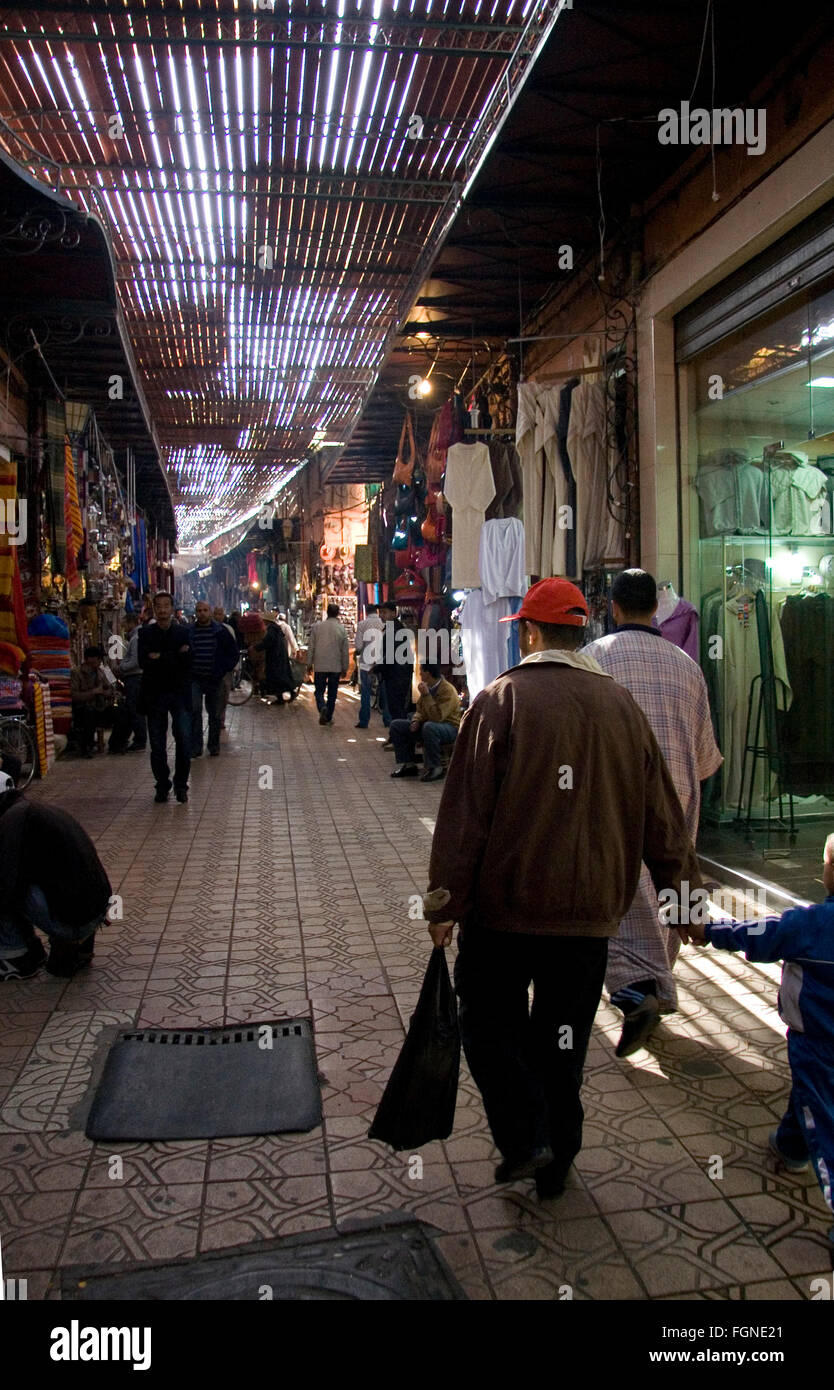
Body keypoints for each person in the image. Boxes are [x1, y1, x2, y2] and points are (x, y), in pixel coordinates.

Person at [422, 577, 701, 1199]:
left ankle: (525, 1137)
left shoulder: (500, 700)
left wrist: (444, 902)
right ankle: (557, 1161)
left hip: (507, 909)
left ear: (531, 631)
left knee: (489, 1026)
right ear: (583, 633)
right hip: (590, 914)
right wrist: (686, 899)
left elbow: (465, 816)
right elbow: (664, 816)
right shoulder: (622, 707)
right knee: (562, 1039)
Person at [584, 568, 723, 1056]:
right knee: (667, 900)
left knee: (617, 901)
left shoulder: (591, 661)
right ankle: (649, 989)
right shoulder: (687, 665)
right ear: (654, 609)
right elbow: (706, 757)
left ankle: (635, 993)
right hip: (678, 800)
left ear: (614, 608)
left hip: (614, 800)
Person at [685, 833, 834, 1262]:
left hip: (817, 1043)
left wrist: (707, 929)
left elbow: (758, 933)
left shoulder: (809, 926)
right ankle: (790, 1144)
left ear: (831, 874)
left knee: (824, 1120)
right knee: (810, 1100)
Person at [0, 754, 112, 979]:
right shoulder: (33, 811)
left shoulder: (11, 823)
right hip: (94, 912)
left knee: (4, 882)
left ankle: (15, 955)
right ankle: (70, 945)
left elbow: (6, 887)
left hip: (76, 920)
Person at [138, 591, 193, 803]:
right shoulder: (145, 634)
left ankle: (181, 785)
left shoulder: (183, 632)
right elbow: (144, 662)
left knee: (184, 740)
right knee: (158, 745)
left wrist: (159, 657)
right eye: (158, 606)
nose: (162, 610)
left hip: (179, 693)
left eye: (166, 606)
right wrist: (174, 656)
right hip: (155, 696)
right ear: (154, 608)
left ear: (172, 608)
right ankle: (162, 784)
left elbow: (188, 660)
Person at [389, 663, 462, 782]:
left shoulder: (447, 690)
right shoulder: (427, 686)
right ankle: (409, 765)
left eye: (421, 671)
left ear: (428, 673)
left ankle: (436, 767)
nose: (419, 674)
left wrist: (427, 695)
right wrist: (415, 721)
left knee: (429, 727)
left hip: (449, 727)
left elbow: (438, 716)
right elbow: (420, 710)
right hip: (429, 725)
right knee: (397, 726)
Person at [189, 600, 238, 756]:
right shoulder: (189, 632)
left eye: (204, 610)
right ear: (196, 613)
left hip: (214, 678)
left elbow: (233, 653)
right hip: (195, 678)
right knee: (195, 711)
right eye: (199, 610)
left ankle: (213, 745)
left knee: (215, 714)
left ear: (209, 612)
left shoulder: (221, 631)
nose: (202, 613)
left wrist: (223, 669)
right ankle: (196, 746)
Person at [70, 646, 130, 758]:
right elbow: (75, 696)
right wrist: (94, 692)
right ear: (89, 659)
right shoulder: (77, 673)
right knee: (89, 712)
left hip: (101, 707)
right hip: (85, 709)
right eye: (99, 658)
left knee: (122, 711)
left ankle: (116, 744)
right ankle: (86, 747)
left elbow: (114, 689)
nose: (100, 661)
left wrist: (110, 693)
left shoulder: (103, 671)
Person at [375, 601, 414, 742]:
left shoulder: (395, 630)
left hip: (398, 675)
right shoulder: (393, 628)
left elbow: (391, 656)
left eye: (385, 612)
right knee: (395, 707)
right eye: (381, 613)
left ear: (393, 613)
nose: (382, 616)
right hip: (396, 674)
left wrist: (376, 667)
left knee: (397, 708)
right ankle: (396, 737)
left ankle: (400, 739)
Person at [307, 602, 349, 725]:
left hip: (320, 665)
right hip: (335, 667)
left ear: (327, 613)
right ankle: (328, 716)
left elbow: (311, 647)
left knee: (319, 691)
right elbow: (344, 651)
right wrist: (345, 667)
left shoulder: (317, 627)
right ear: (338, 614)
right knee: (332, 693)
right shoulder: (341, 629)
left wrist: (309, 663)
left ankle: (322, 707)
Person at [115, 613, 147, 751]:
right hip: (134, 678)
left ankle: (140, 740)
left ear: (131, 623)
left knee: (135, 710)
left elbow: (136, 661)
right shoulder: (136, 637)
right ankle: (139, 738)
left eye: (125, 624)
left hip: (134, 678)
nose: (124, 628)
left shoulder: (136, 638)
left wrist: (121, 667)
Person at [354, 603, 384, 729]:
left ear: (367, 612)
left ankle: (364, 721)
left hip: (366, 664)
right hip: (382, 662)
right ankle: (387, 719)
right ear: (377, 612)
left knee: (365, 692)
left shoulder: (362, 624)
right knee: (384, 691)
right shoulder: (384, 624)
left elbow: (359, 646)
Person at [256, 612, 297, 704]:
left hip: (276, 658)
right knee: (280, 677)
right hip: (279, 656)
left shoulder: (272, 630)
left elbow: (267, 642)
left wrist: (256, 648)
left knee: (278, 677)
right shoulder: (275, 628)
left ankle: (284, 696)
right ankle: (282, 696)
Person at [213, 607, 237, 729]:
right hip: (211, 670)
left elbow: (233, 649)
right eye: (215, 614)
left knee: (224, 695)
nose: (217, 616)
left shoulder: (228, 630)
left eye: (219, 614)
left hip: (225, 670)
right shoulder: (208, 629)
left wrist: (232, 666)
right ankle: (215, 718)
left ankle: (220, 719)